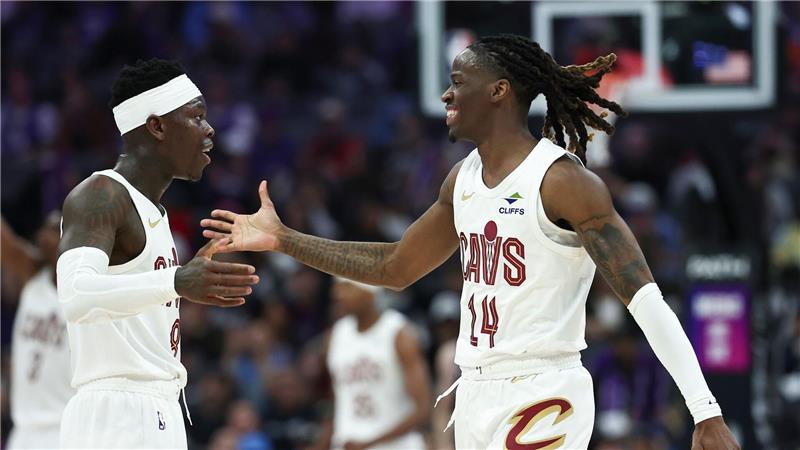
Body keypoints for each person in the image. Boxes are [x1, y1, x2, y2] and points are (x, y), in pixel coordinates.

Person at [201, 34, 739, 449]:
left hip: (543, 390)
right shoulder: (461, 180)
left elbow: (645, 298)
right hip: (476, 392)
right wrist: (283, 239)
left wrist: (705, 410)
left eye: (458, 81)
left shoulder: (563, 181)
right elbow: (394, 266)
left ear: (499, 91)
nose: (446, 94)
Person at [56, 58, 259, 449]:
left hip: (156, 407)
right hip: (117, 414)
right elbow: (75, 295)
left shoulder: (155, 213)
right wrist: (176, 281)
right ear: (157, 126)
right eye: (196, 117)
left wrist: (178, 284)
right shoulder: (101, 194)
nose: (209, 129)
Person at [311, 277, 431, 450]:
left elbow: (423, 408)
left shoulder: (398, 333)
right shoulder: (335, 336)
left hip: (396, 446)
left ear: (369, 291)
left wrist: (370, 442)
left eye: (347, 287)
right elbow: (336, 403)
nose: (337, 294)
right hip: (348, 444)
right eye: (337, 288)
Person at [2, 213, 74, 449]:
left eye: (53, 230)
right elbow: (7, 243)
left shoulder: (84, 293)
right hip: (22, 430)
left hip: (63, 429)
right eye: (44, 229)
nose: (44, 236)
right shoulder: (33, 277)